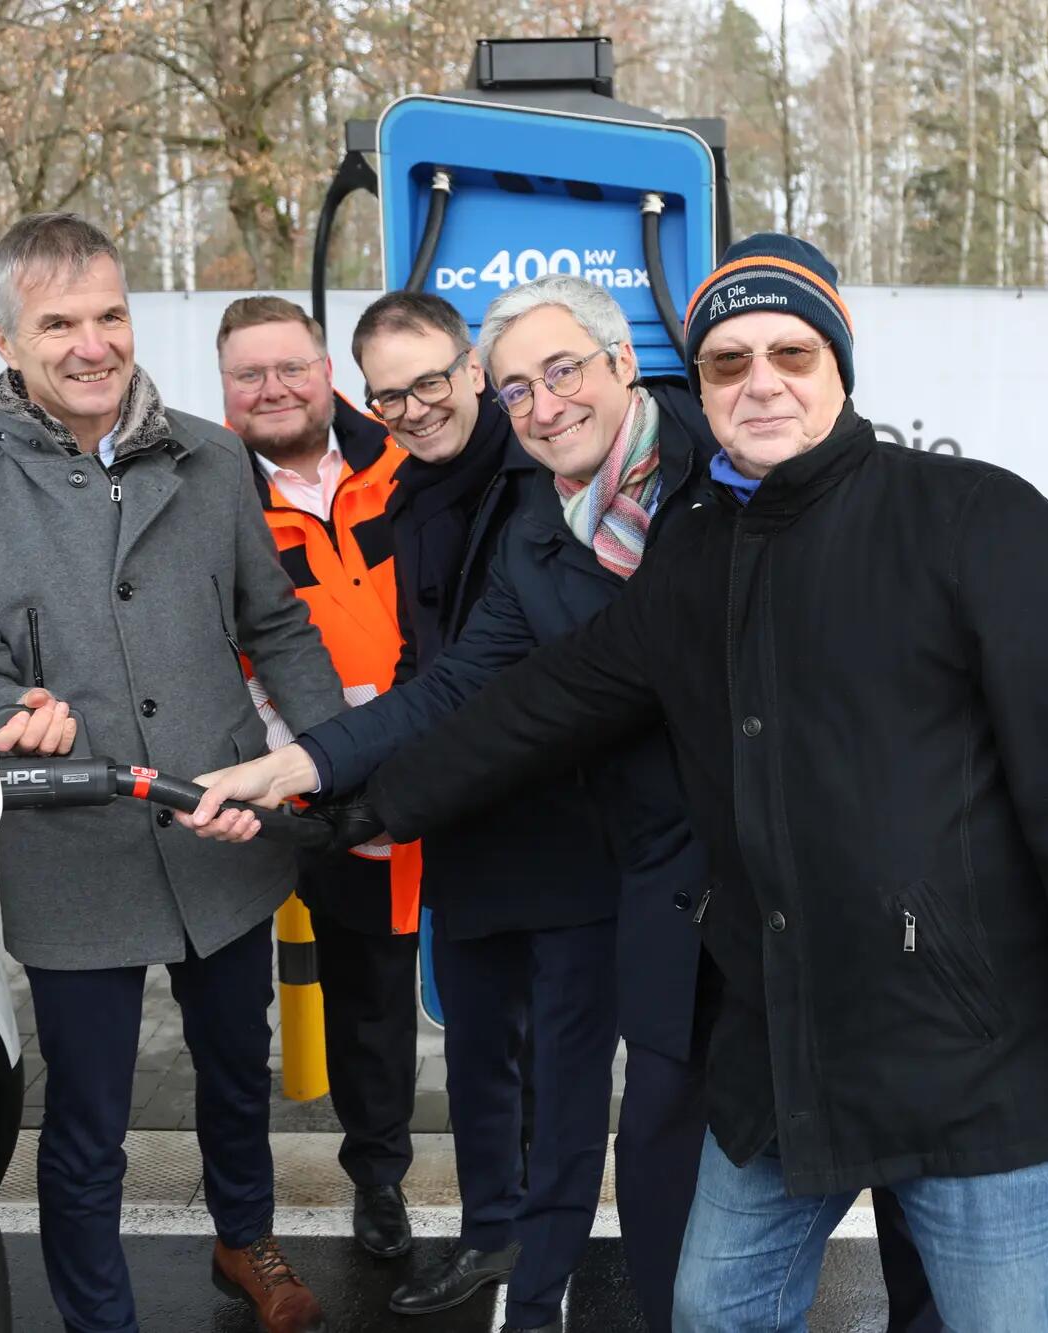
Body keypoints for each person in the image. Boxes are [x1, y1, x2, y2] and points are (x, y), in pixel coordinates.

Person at [195, 235, 1048, 1332]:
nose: (761, 381)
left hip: (974, 1056)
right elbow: (526, 703)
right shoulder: (695, 551)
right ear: (700, 382)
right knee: (713, 1310)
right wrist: (348, 801)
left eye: (790, 351)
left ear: (837, 366)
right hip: (778, 1039)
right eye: (729, 362)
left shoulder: (975, 519)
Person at [188, 273, 946, 1331]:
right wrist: (310, 769)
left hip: (840, 882)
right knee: (666, 1176)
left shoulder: (725, 472)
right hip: (682, 888)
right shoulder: (539, 541)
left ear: (621, 364)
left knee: (905, 1160)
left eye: (562, 373)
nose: (543, 407)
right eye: (518, 392)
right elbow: (462, 696)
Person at [0, 213, 342, 1333]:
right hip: (75, 856)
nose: (92, 344)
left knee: (235, 1072)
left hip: (227, 833)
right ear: (5, 339)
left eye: (109, 315)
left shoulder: (210, 456)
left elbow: (277, 626)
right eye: (58, 324)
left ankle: (244, 1242)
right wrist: (8, 713)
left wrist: (328, 757)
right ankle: (100, 1316)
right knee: (87, 1116)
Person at [345, 289, 632, 1331]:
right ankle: (489, 1234)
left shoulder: (551, 471)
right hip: (461, 821)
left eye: (430, 381)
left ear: (471, 370)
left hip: (568, 820)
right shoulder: (407, 493)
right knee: (473, 1052)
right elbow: (429, 669)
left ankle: (543, 1279)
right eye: (388, 397)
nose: (414, 408)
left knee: (564, 1066)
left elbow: (537, 679)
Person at [216, 295, 422, 1260]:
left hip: (447, 761)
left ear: (325, 367)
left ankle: (525, 1175)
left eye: (290, 366)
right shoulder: (210, 491)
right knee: (366, 1000)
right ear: (224, 389)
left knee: (499, 985)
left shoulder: (406, 455)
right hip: (311, 789)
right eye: (249, 374)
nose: (273, 389)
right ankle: (377, 1181)